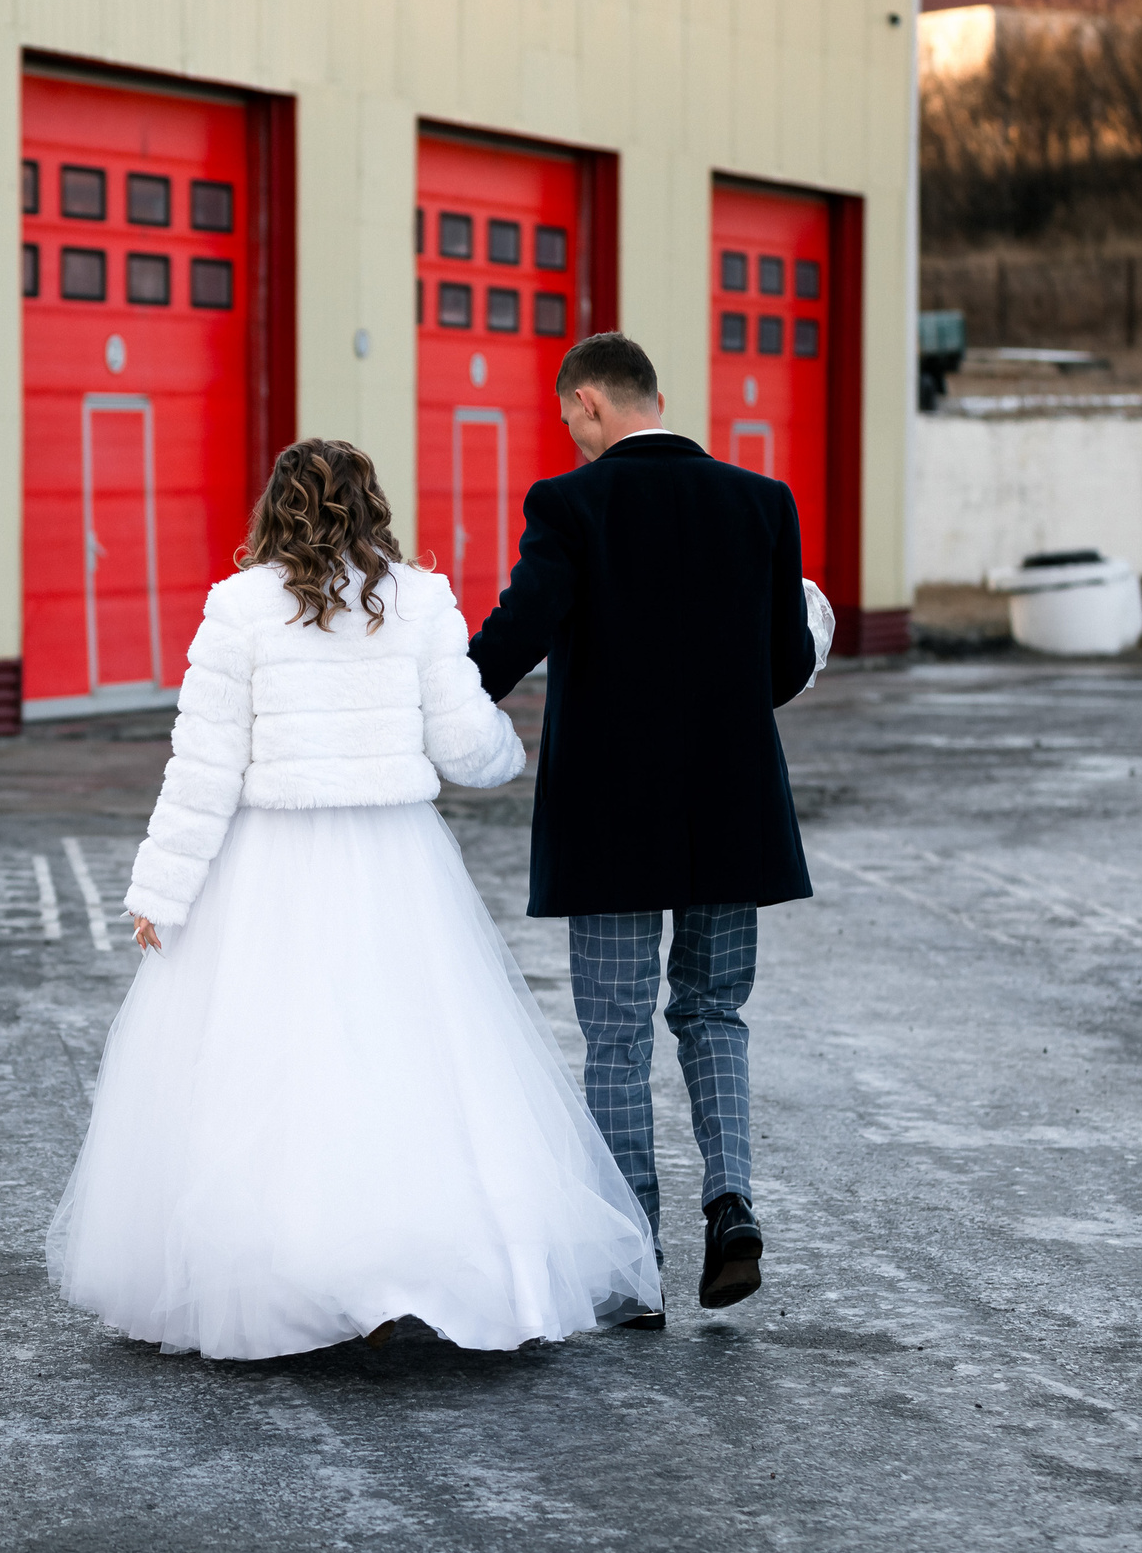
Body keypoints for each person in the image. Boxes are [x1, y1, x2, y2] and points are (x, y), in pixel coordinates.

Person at [48, 438, 663, 1361]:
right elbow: (468, 747)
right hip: (396, 863)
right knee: (414, 1064)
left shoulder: (239, 608)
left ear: (275, 508)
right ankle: (409, 1266)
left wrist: (162, 892)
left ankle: (298, 1280)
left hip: (271, 869)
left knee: (278, 1070)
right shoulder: (419, 600)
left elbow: (204, 766)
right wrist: (516, 751)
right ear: (372, 506)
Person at [468, 332, 826, 1320]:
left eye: (567, 419)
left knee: (616, 1035)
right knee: (714, 1013)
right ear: (655, 399)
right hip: (732, 816)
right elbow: (782, 668)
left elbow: (513, 639)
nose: (569, 437)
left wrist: (429, 696)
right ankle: (731, 1202)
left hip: (609, 824)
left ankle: (632, 1265)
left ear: (588, 403)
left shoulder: (568, 505)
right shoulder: (762, 502)